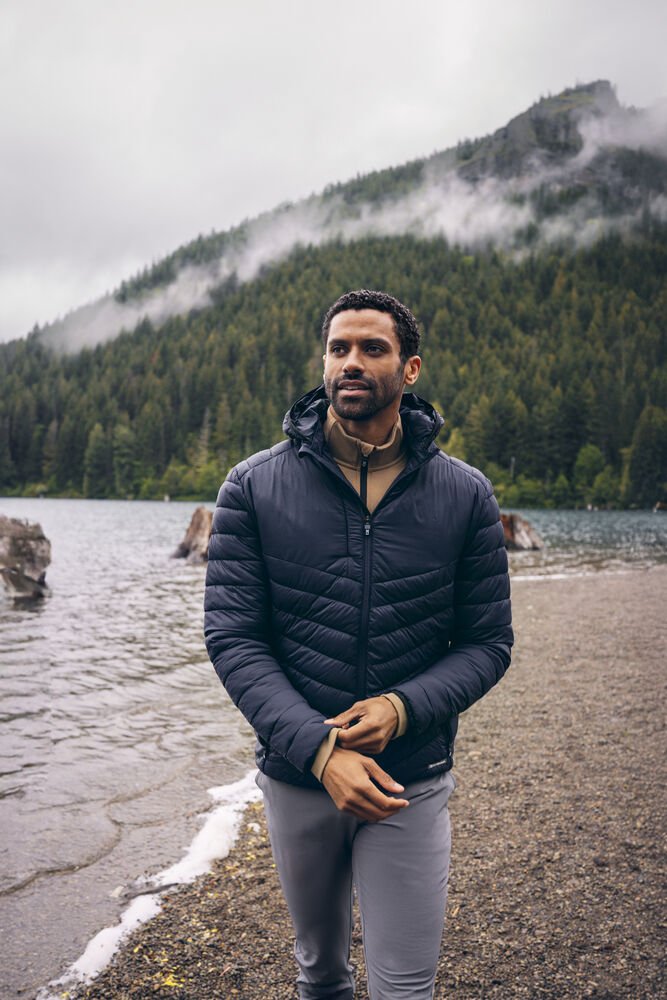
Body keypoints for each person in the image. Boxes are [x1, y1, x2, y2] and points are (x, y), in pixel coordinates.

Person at [204, 288, 513, 999]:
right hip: (298, 776)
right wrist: (320, 751)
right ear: (323, 363)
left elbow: (487, 642)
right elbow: (233, 637)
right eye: (338, 348)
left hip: (411, 777)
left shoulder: (465, 494)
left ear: (409, 369)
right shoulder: (252, 486)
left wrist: (402, 708)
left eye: (372, 348)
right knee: (320, 973)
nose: (350, 362)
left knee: (404, 987)